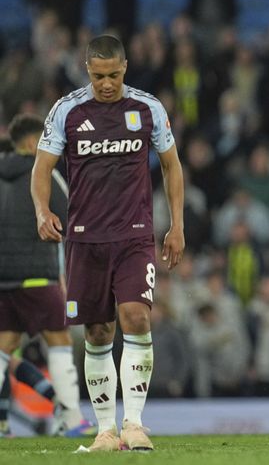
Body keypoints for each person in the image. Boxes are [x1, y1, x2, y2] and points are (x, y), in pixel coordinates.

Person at [31, 35, 185, 452]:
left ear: (126, 67)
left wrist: (177, 225)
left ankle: (134, 423)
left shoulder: (148, 108)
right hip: (85, 239)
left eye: (114, 75)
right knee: (97, 331)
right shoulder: (67, 110)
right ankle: (105, 430)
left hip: (134, 235)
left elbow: (171, 166)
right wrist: (43, 211)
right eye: (98, 76)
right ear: (87, 69)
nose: (106, 84)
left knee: (136, 317)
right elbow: (42, 167)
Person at [0, 113, 94, 438]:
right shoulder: (41, 172)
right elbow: (69, 219)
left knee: (5, 345)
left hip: (3, 279)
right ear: (31, 143)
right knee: (59, 339)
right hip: (37, 275)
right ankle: (70, 420)